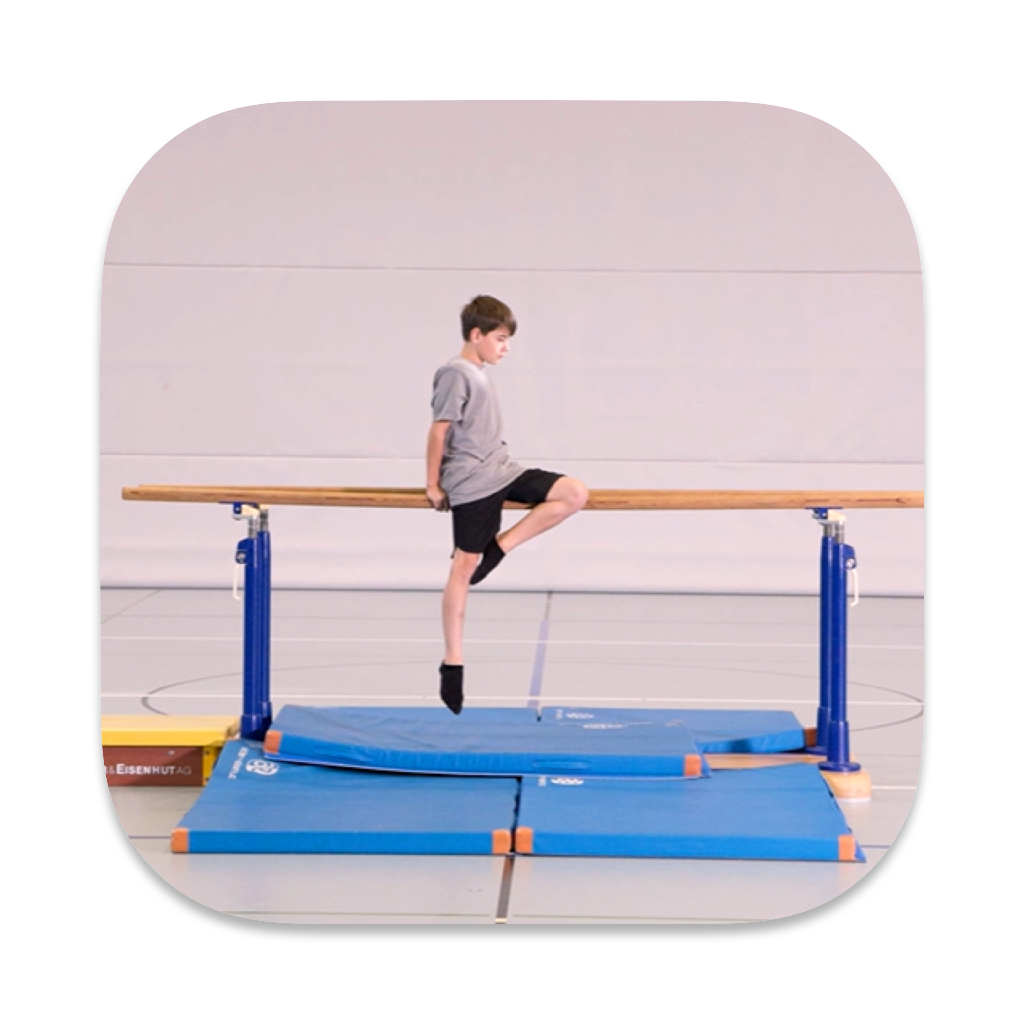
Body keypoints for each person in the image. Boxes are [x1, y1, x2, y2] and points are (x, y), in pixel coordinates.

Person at [426, 295, 589, 714]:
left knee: (574, 493)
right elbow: (439, 431)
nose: (506, 347)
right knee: (464, 567)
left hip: (502, 470)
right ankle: (453, 662)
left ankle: (500, 548)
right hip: (471, 481)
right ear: (476, 335)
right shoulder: (455, 373)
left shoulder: (478, 373)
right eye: (500, 339)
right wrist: (432, 485)